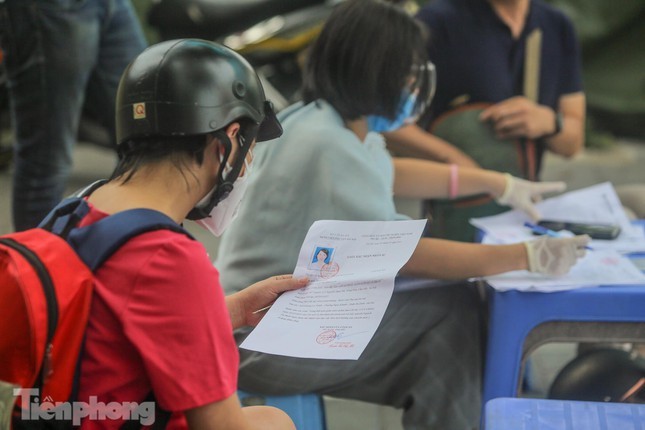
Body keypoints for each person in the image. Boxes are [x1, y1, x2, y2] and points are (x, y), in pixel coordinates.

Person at [215, 1, 590, 429]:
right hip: (259, 342)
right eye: (407, 74)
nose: (413, 86)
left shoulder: (325, 122)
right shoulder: (328, 146)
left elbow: (391, 172)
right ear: (376, 72)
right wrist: (525, 256)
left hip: (271, 319)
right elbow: (410, 255)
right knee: (452, 319)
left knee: (450, 318)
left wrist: (494, 182)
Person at [72, 39, 306, 429]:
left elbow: (120, 324)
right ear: (228, 140)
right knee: (274, 421)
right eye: (249, 148)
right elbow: (220, 426)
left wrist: (232, 309)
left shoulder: (77, 206)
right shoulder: (170, 258)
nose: (247, 163)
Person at [384, 0, 586, 241]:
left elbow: (572, 144)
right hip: (458, 213)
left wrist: (551, 122)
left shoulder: (557, 25)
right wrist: (456, 162)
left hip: (524, 214)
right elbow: (384, 121)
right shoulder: (437, 21)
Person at [0, 0, 148, 231]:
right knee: (46, 162)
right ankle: (34, 263)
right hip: (48, 8)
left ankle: (116, 249)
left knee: (145, 136)